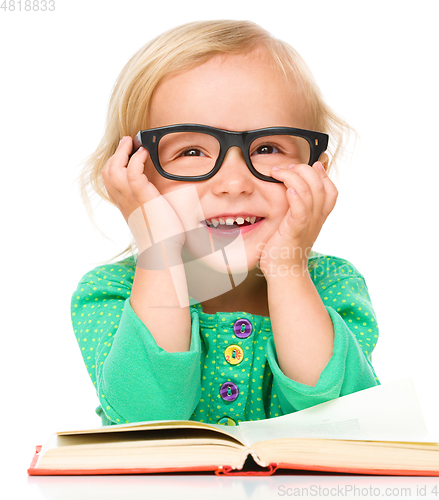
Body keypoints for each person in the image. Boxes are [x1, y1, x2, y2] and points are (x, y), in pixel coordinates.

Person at [72, 20, 380, 427]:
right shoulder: (108, 294)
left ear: (315, 173)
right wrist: (158, 246)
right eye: (192, 151)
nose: (234, 184)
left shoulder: (333, 285)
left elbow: (344, 422)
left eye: (267, 147)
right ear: (133, 171)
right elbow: (146, 418)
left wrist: (288, 269)